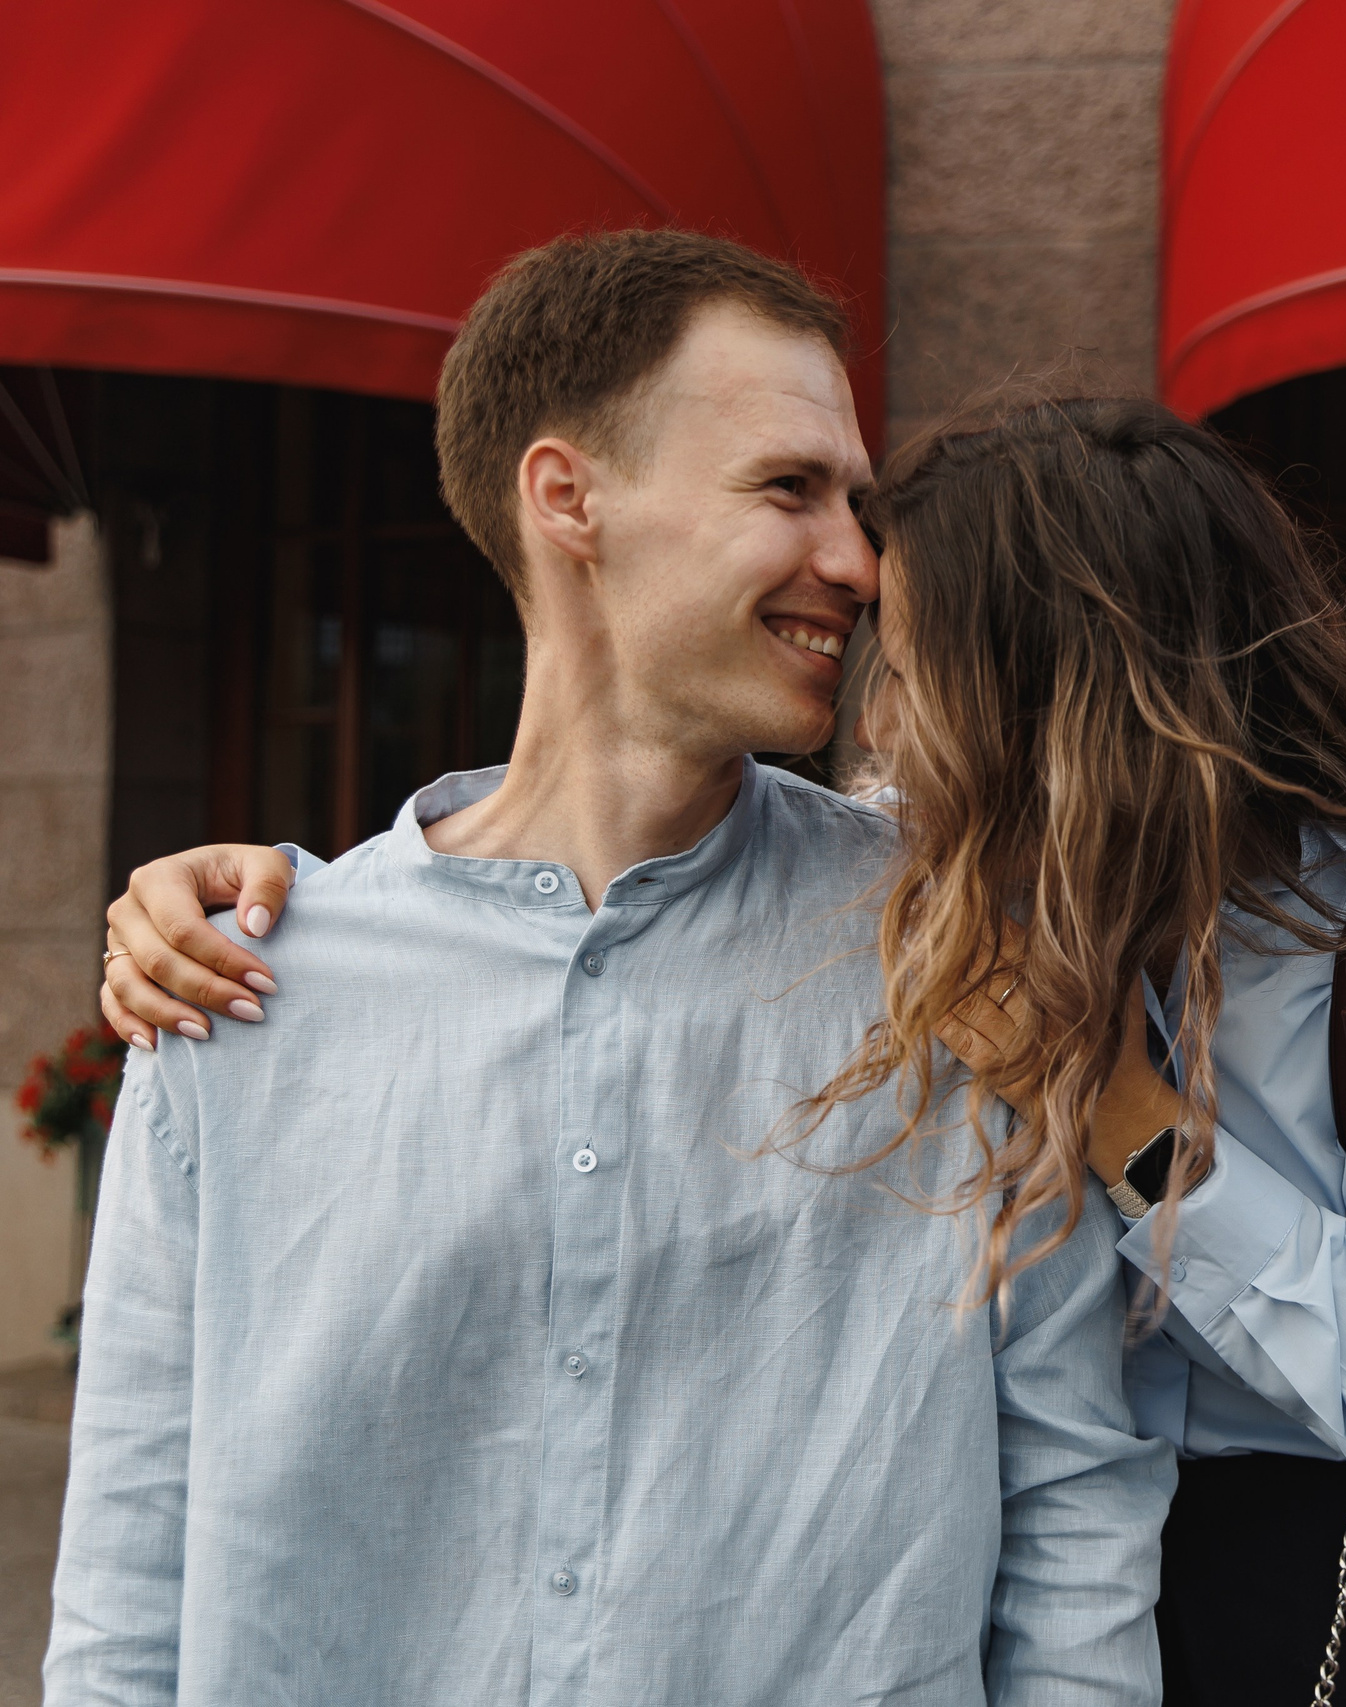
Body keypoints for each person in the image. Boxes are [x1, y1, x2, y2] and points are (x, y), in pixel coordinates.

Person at [105, 400, 1346, 1704]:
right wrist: (305, 892)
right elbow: (617, 846)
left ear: (1066, 692)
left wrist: (1135, 1130)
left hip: (1337, 1568)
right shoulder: (962, 862)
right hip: (1055, 1559)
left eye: (926, 665)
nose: (888, 715)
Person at [53, 230, 1172, 1707]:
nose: (859, 561)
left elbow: (1073, 1505)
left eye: (859, 504)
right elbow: (132, 1570)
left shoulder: (952, 946)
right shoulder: (245, 990)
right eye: (790, 489)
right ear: (567, 496)